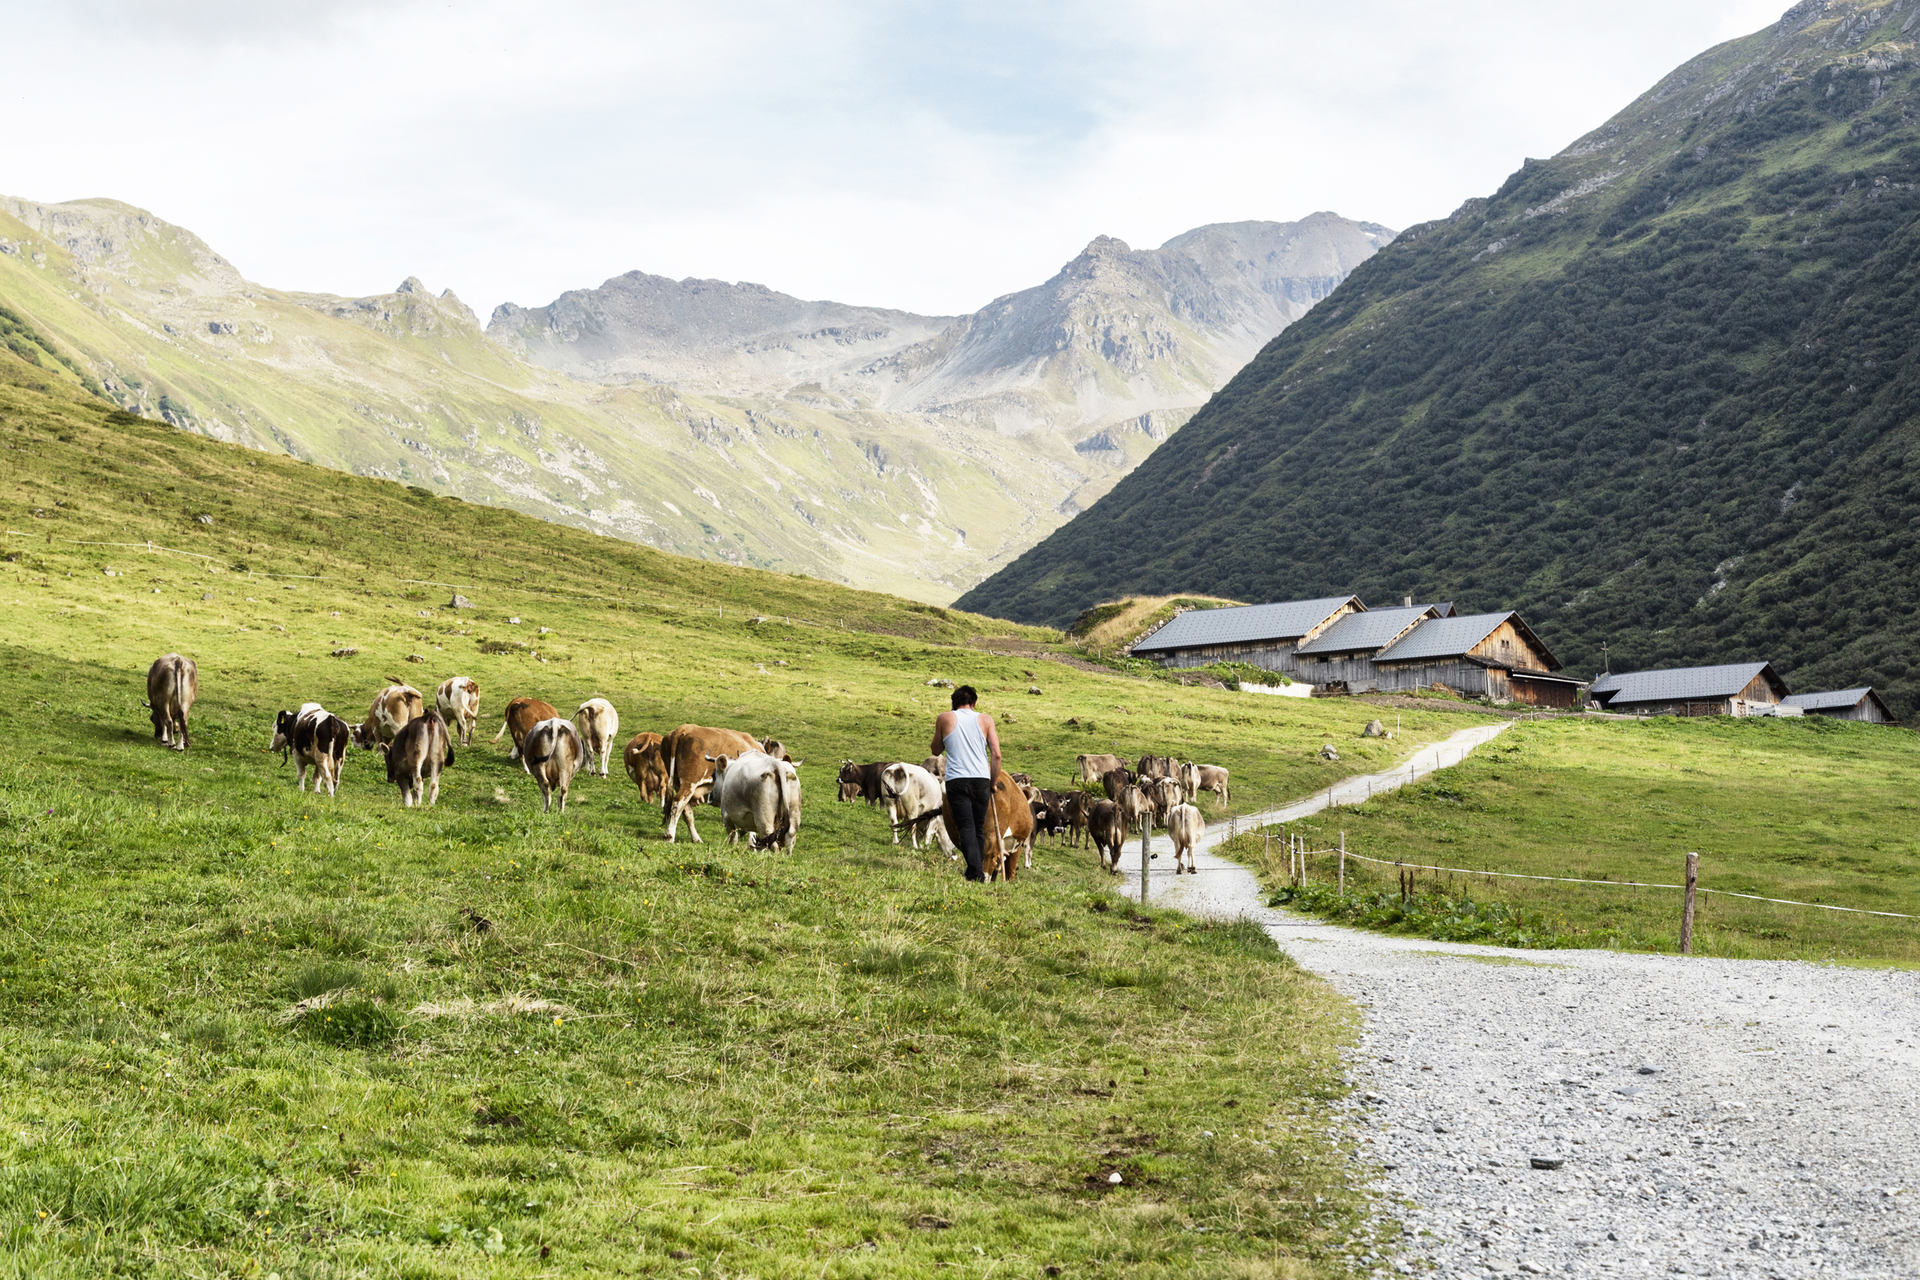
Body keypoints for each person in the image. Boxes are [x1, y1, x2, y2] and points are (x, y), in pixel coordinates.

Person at [930, 684, 1001, 882]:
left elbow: (935, 750)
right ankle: (976, 872)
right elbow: (996, 754)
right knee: (978, 827)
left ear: (953, 703)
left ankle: (975, 872)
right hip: (981, 779)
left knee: (966, 827)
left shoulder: (944, 718)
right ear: (974, 703)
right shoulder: (986, 720)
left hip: (957, 779)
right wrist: (993, 782)